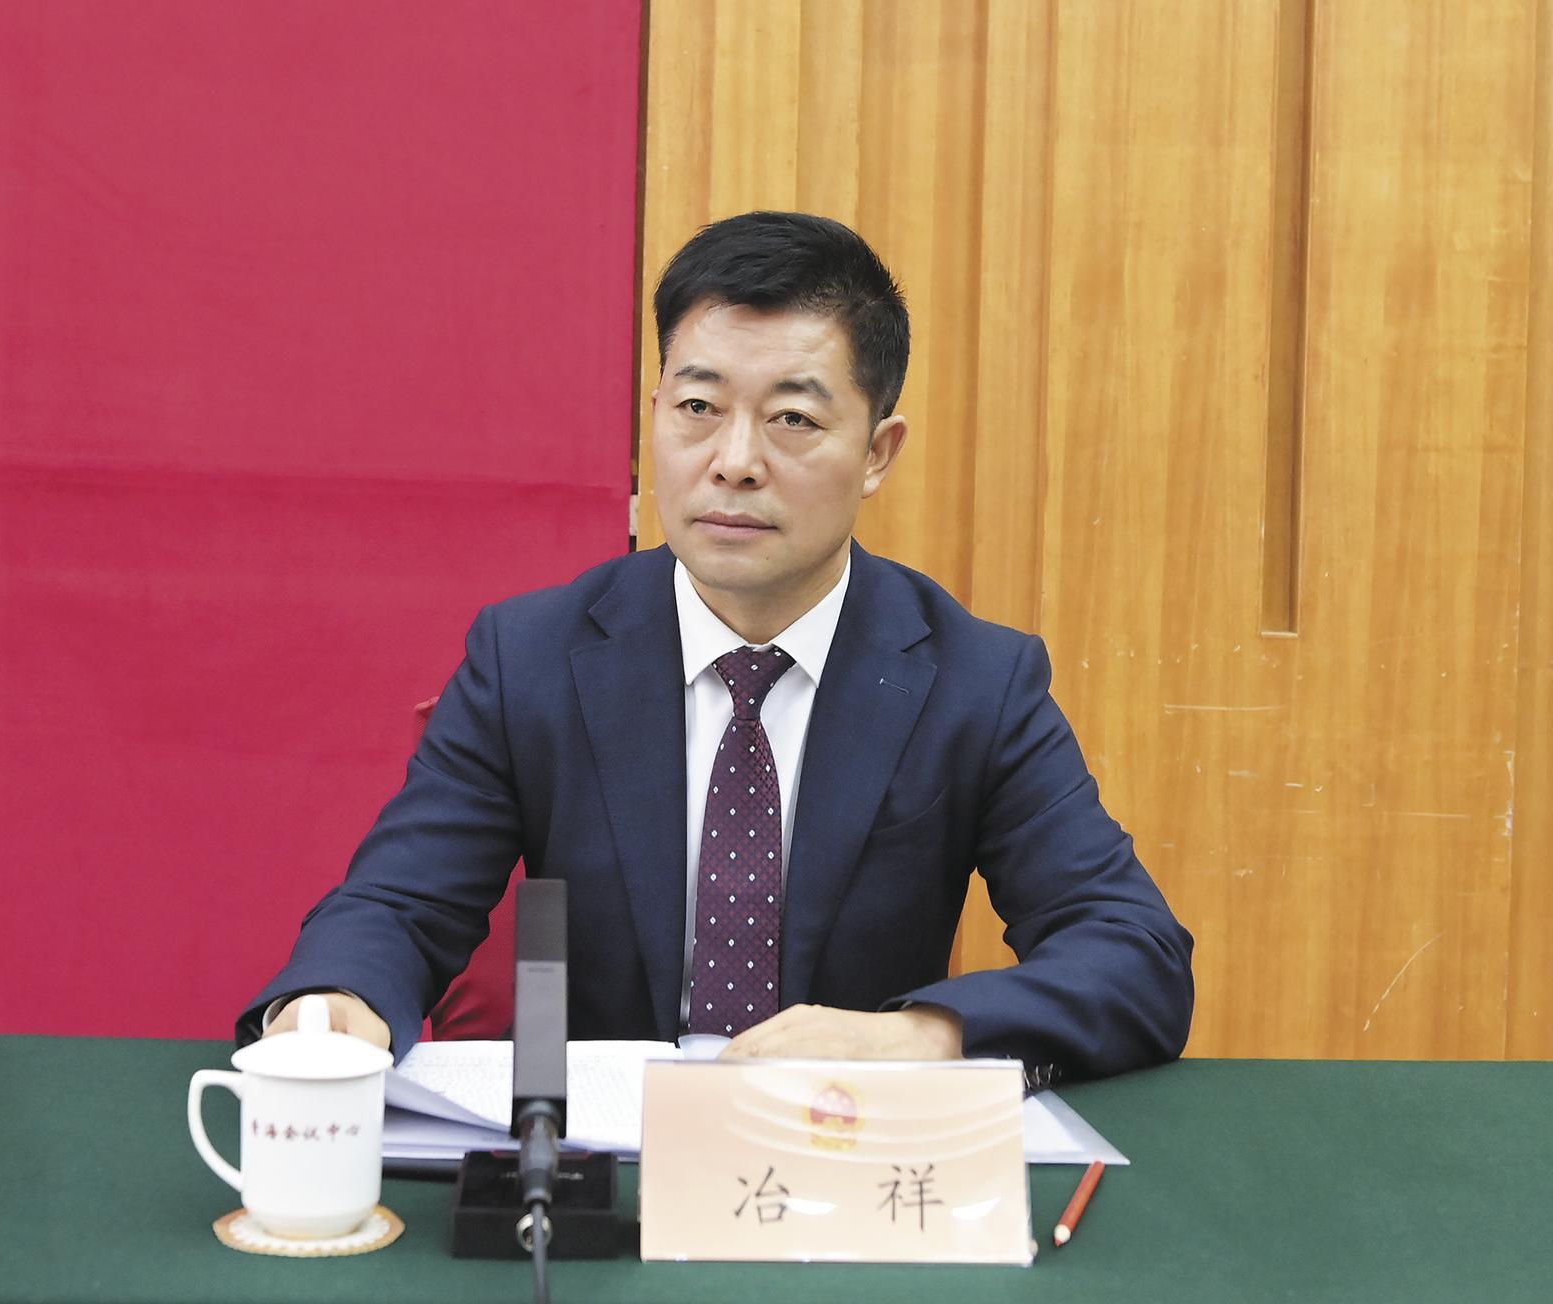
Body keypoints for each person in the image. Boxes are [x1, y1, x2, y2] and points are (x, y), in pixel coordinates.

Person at [240, 211, 1193, 1084]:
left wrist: (921, 1035)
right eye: (698, 408)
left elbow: (1132, 953)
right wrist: (335, 1004)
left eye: (793, 419)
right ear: (656, 410)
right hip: (606, 1164)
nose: (734, 462)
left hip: (841, 1154)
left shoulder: (974, 680)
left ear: (877, 452)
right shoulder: (528, 657)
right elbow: (397, 906)